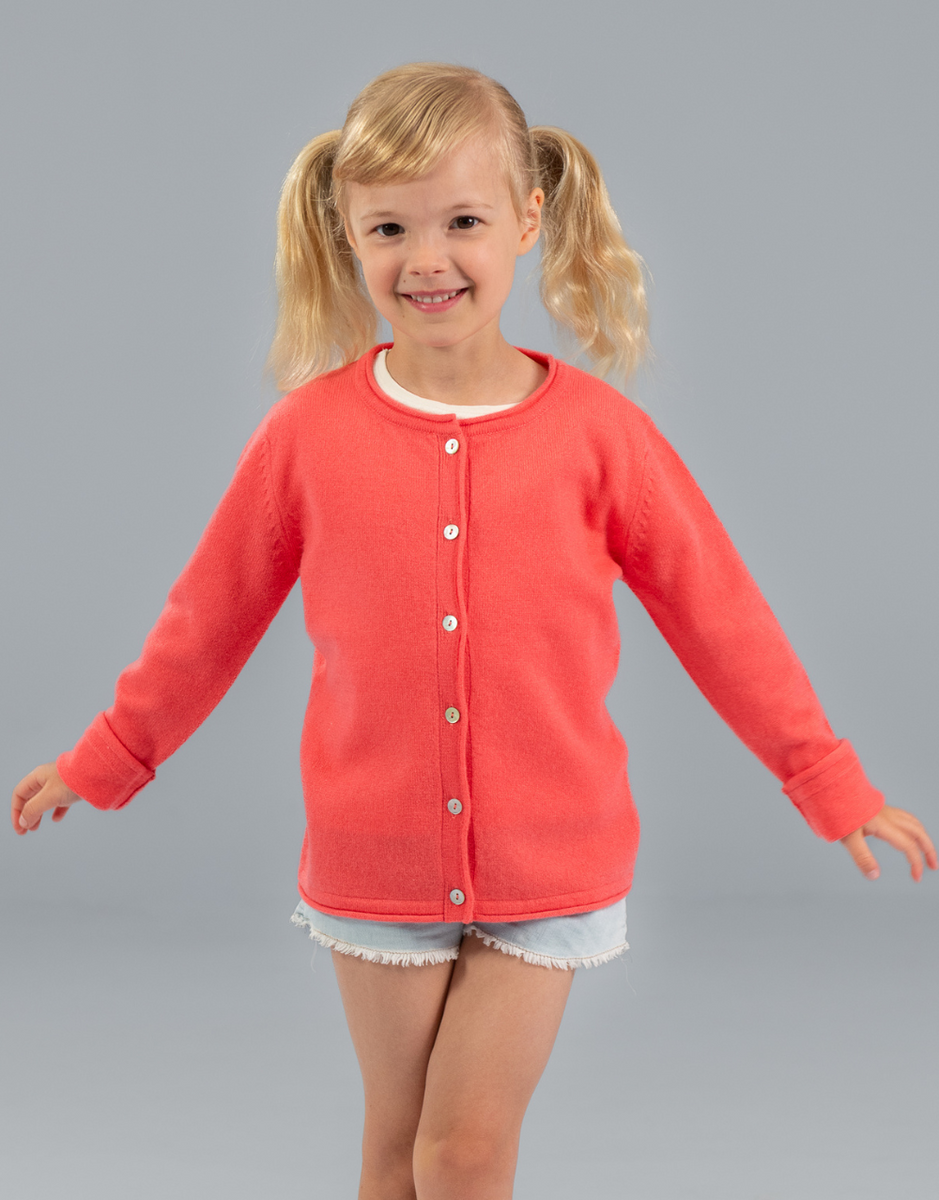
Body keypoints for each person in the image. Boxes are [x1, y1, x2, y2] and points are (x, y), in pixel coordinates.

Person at [11, 62, 935, 1200]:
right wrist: (106, 759)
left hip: (554, 857)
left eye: (462, 222)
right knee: (395, 1151)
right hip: (375, 856)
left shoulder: (602, 437)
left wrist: (825, 777)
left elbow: (721, 616)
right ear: (346, 233)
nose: (427, 259)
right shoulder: (306, 438)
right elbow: (208, 619)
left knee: (462, 1151)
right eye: (389, 229)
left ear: (529, 219)